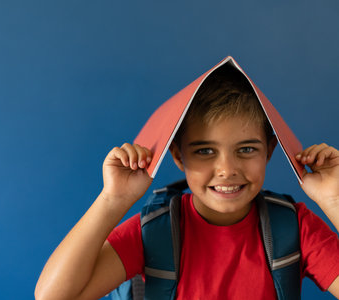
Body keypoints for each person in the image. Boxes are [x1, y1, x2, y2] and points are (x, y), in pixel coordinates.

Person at [34, 67, 339, 300]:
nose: (226, 169)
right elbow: (53, 296)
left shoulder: (295, 227)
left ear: (270, 151)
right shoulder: (155, 231)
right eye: (205, 151)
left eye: (246, 149)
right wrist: (113, 199)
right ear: (179, 157)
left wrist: (334, 201)